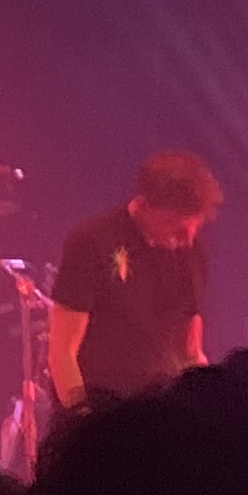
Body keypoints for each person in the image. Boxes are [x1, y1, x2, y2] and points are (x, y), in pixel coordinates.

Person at [46, 148, 221, 411]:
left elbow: (191, 351)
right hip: (103, 408)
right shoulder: (93, 241)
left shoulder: (193, 255)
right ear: (145, 206)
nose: (186, 240)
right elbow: (63, 353)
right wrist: (83, 417)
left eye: (194, 229)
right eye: (177, 228)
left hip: (163, 411)